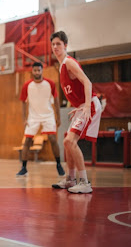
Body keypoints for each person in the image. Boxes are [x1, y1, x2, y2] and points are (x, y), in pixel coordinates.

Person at [50, 31, 101, 194]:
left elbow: (87, 82)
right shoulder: (61, 67)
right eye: (53, 44)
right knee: (66, 142)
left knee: (70, 141)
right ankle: (70, 180)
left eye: (58, 44)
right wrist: (78, 105)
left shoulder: (69, 62)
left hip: (90, 104)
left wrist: (86, 106)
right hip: (82, 105)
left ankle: (84, 182)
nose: (55, 47)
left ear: (65, 45)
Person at [17, 61, 65, 177]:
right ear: (32, 71)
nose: (37, 72)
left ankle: (59, 164)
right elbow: (23, 102)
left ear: (42, 71)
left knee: (53, 139)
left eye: (39, 70)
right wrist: (24, 118)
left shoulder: (50, 84)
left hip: (48, 115)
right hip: (33, 117)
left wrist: (58, 117)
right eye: (35, 70)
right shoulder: (27, 85)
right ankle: (24, 168)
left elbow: (57, 100)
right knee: (27, 141)